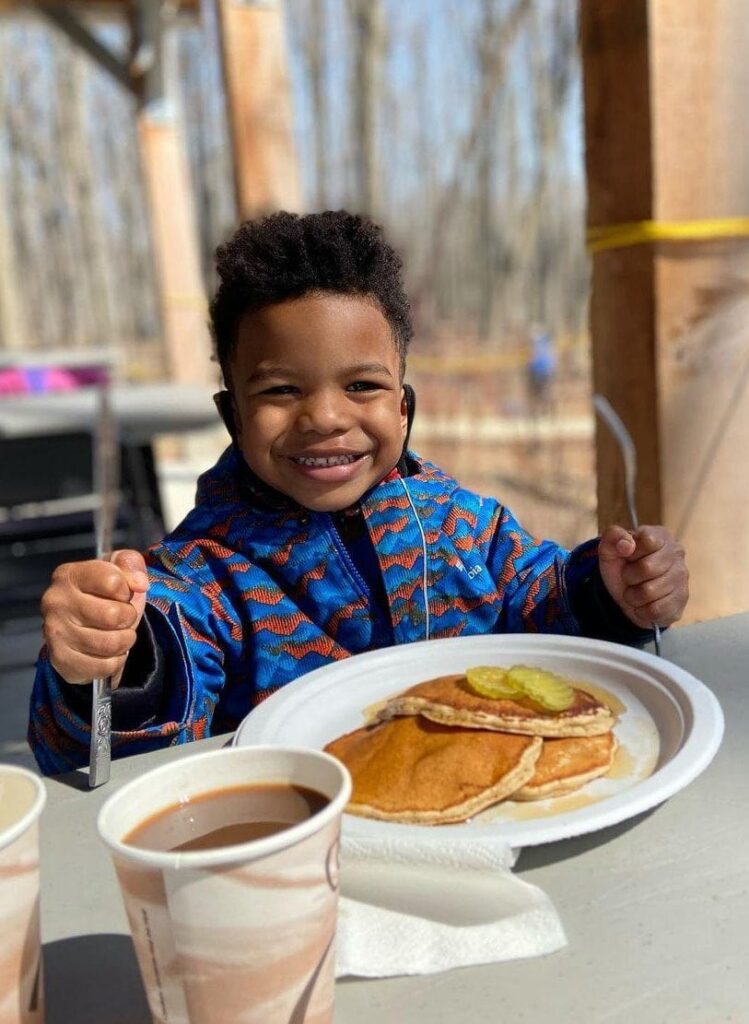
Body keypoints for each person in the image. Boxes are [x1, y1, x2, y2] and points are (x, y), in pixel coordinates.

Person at [29, 211, 689, 775]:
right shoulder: (204, 578)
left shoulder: (462, 527)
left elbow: (543, 600)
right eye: (281, 390)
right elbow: (110, 739)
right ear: (234, 416)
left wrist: (613, 592)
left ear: (403, 408)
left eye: (362, 386)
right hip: (310, 840)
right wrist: (111, 657)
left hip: (491, 803)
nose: (324, 417)